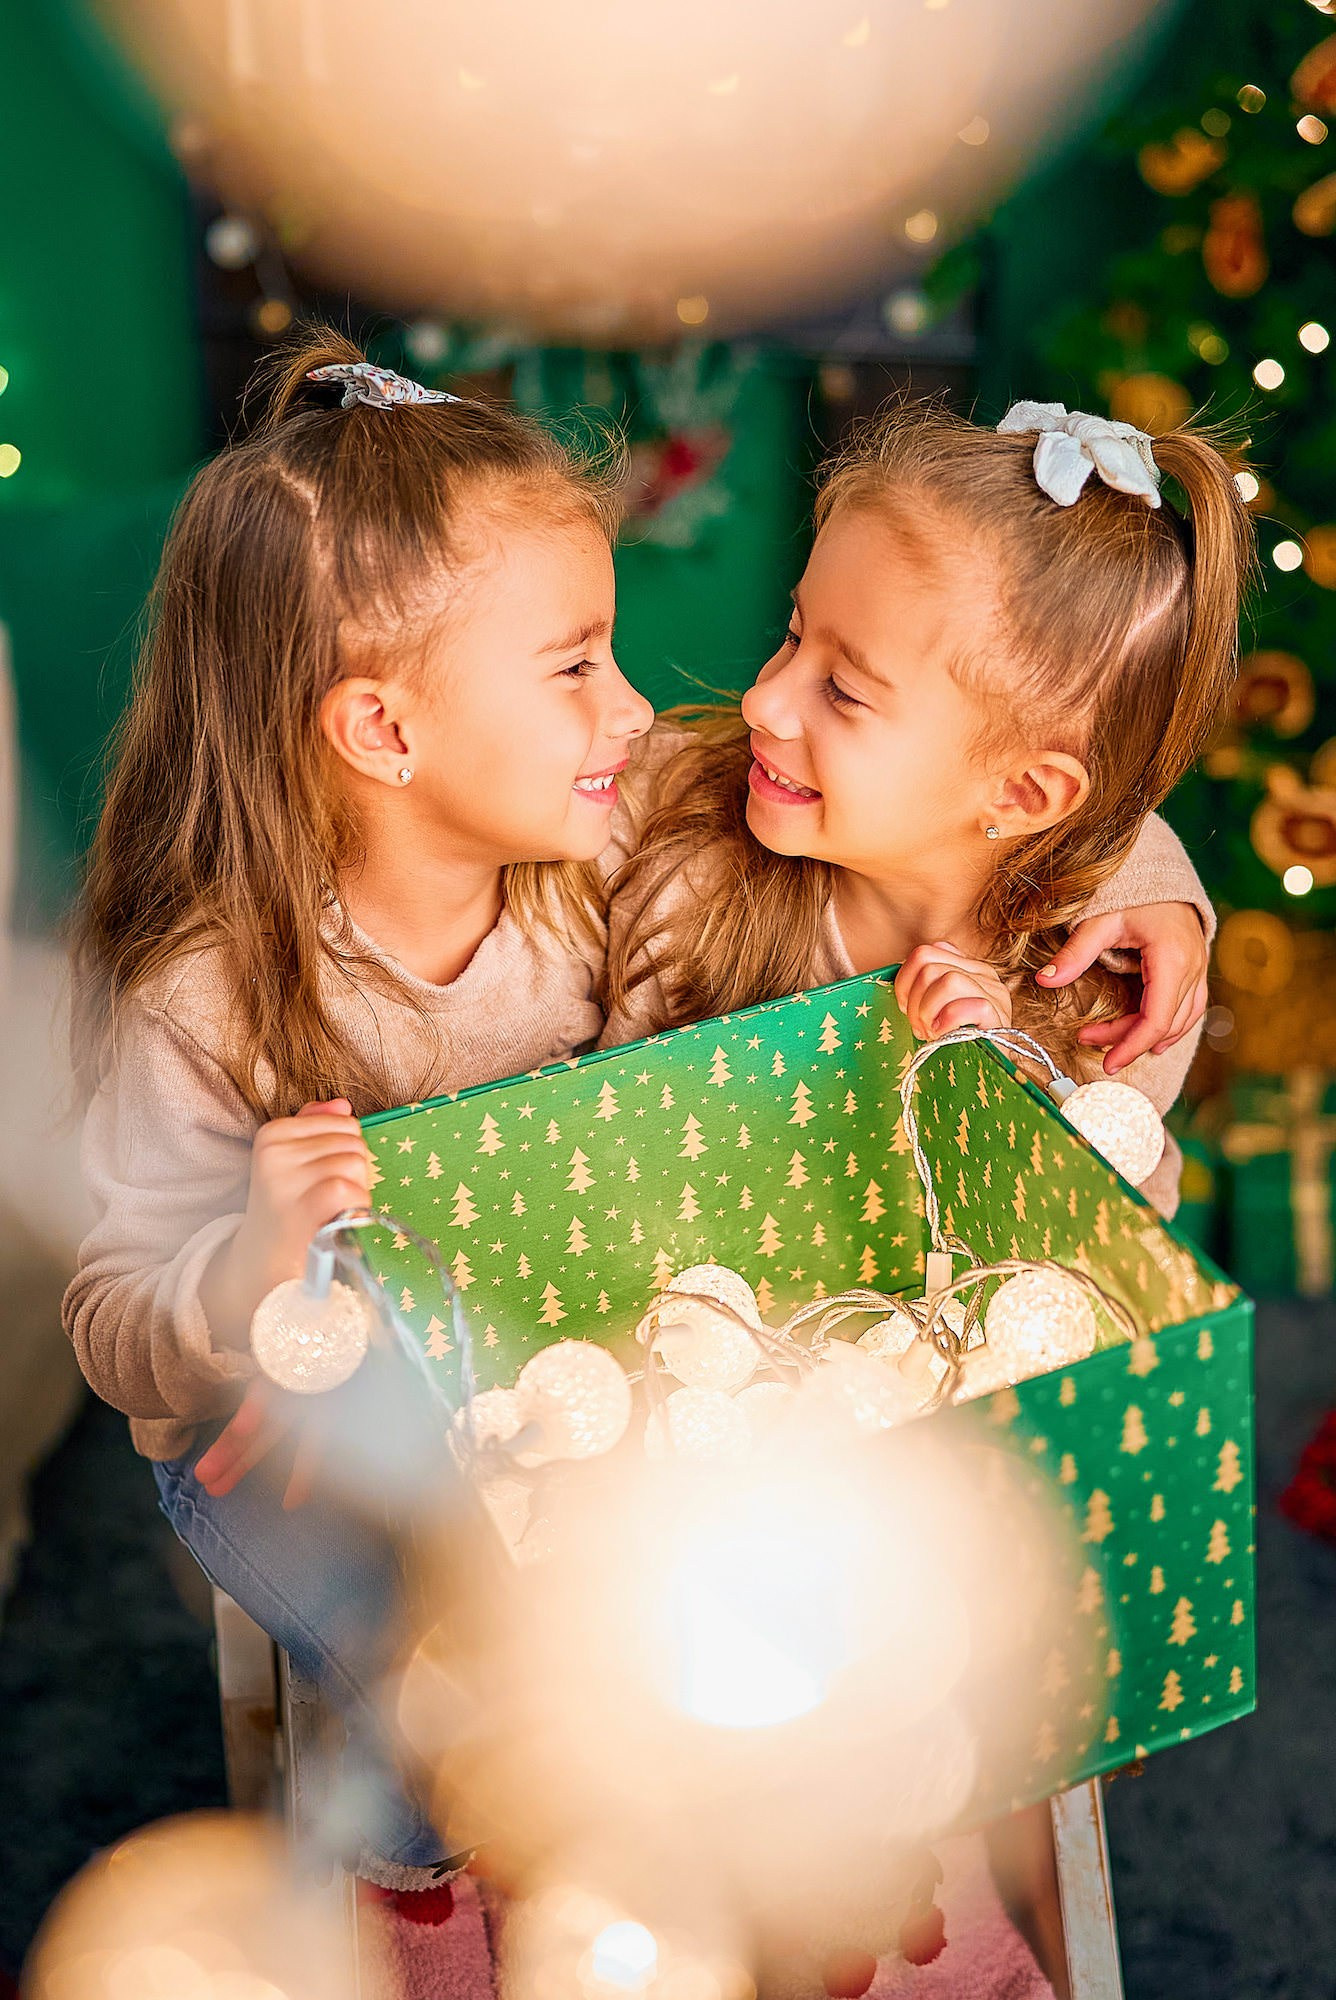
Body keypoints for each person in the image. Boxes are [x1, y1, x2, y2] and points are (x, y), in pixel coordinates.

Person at [63, 328, 653, 1986]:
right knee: (439, 1648)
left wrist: (1139, 889)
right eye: (575, 667)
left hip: (548, 1367)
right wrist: (249, 1262)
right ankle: (422, 1895)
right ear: (385, 733)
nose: (628, 708)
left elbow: (880, 818)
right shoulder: (212, 992)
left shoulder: (596, 845)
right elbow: (118, 1333)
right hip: (291, 1441)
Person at [604, 399, 1253, 1220]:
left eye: (843, 692)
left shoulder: (1107, 1012)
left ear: (1020, 795)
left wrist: (1001, 1100)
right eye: (796, 633)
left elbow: (1096, 1261)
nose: (764, 700)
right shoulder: (680, 829)